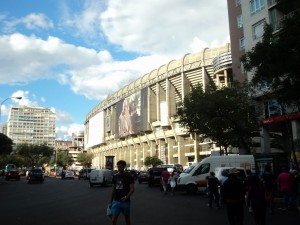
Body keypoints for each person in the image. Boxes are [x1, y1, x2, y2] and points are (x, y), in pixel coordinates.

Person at [109, 160, 134, 225]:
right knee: (113, 220)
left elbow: (132, 189)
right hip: (116, 201)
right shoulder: (115, 176)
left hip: (125, 202)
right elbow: (114, 189)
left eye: (120, 167)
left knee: (127, 218)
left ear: (124, 167)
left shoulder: (129, 176)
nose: (118, 168)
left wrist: (126, 197)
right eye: (118, 167)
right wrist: (111, 202)